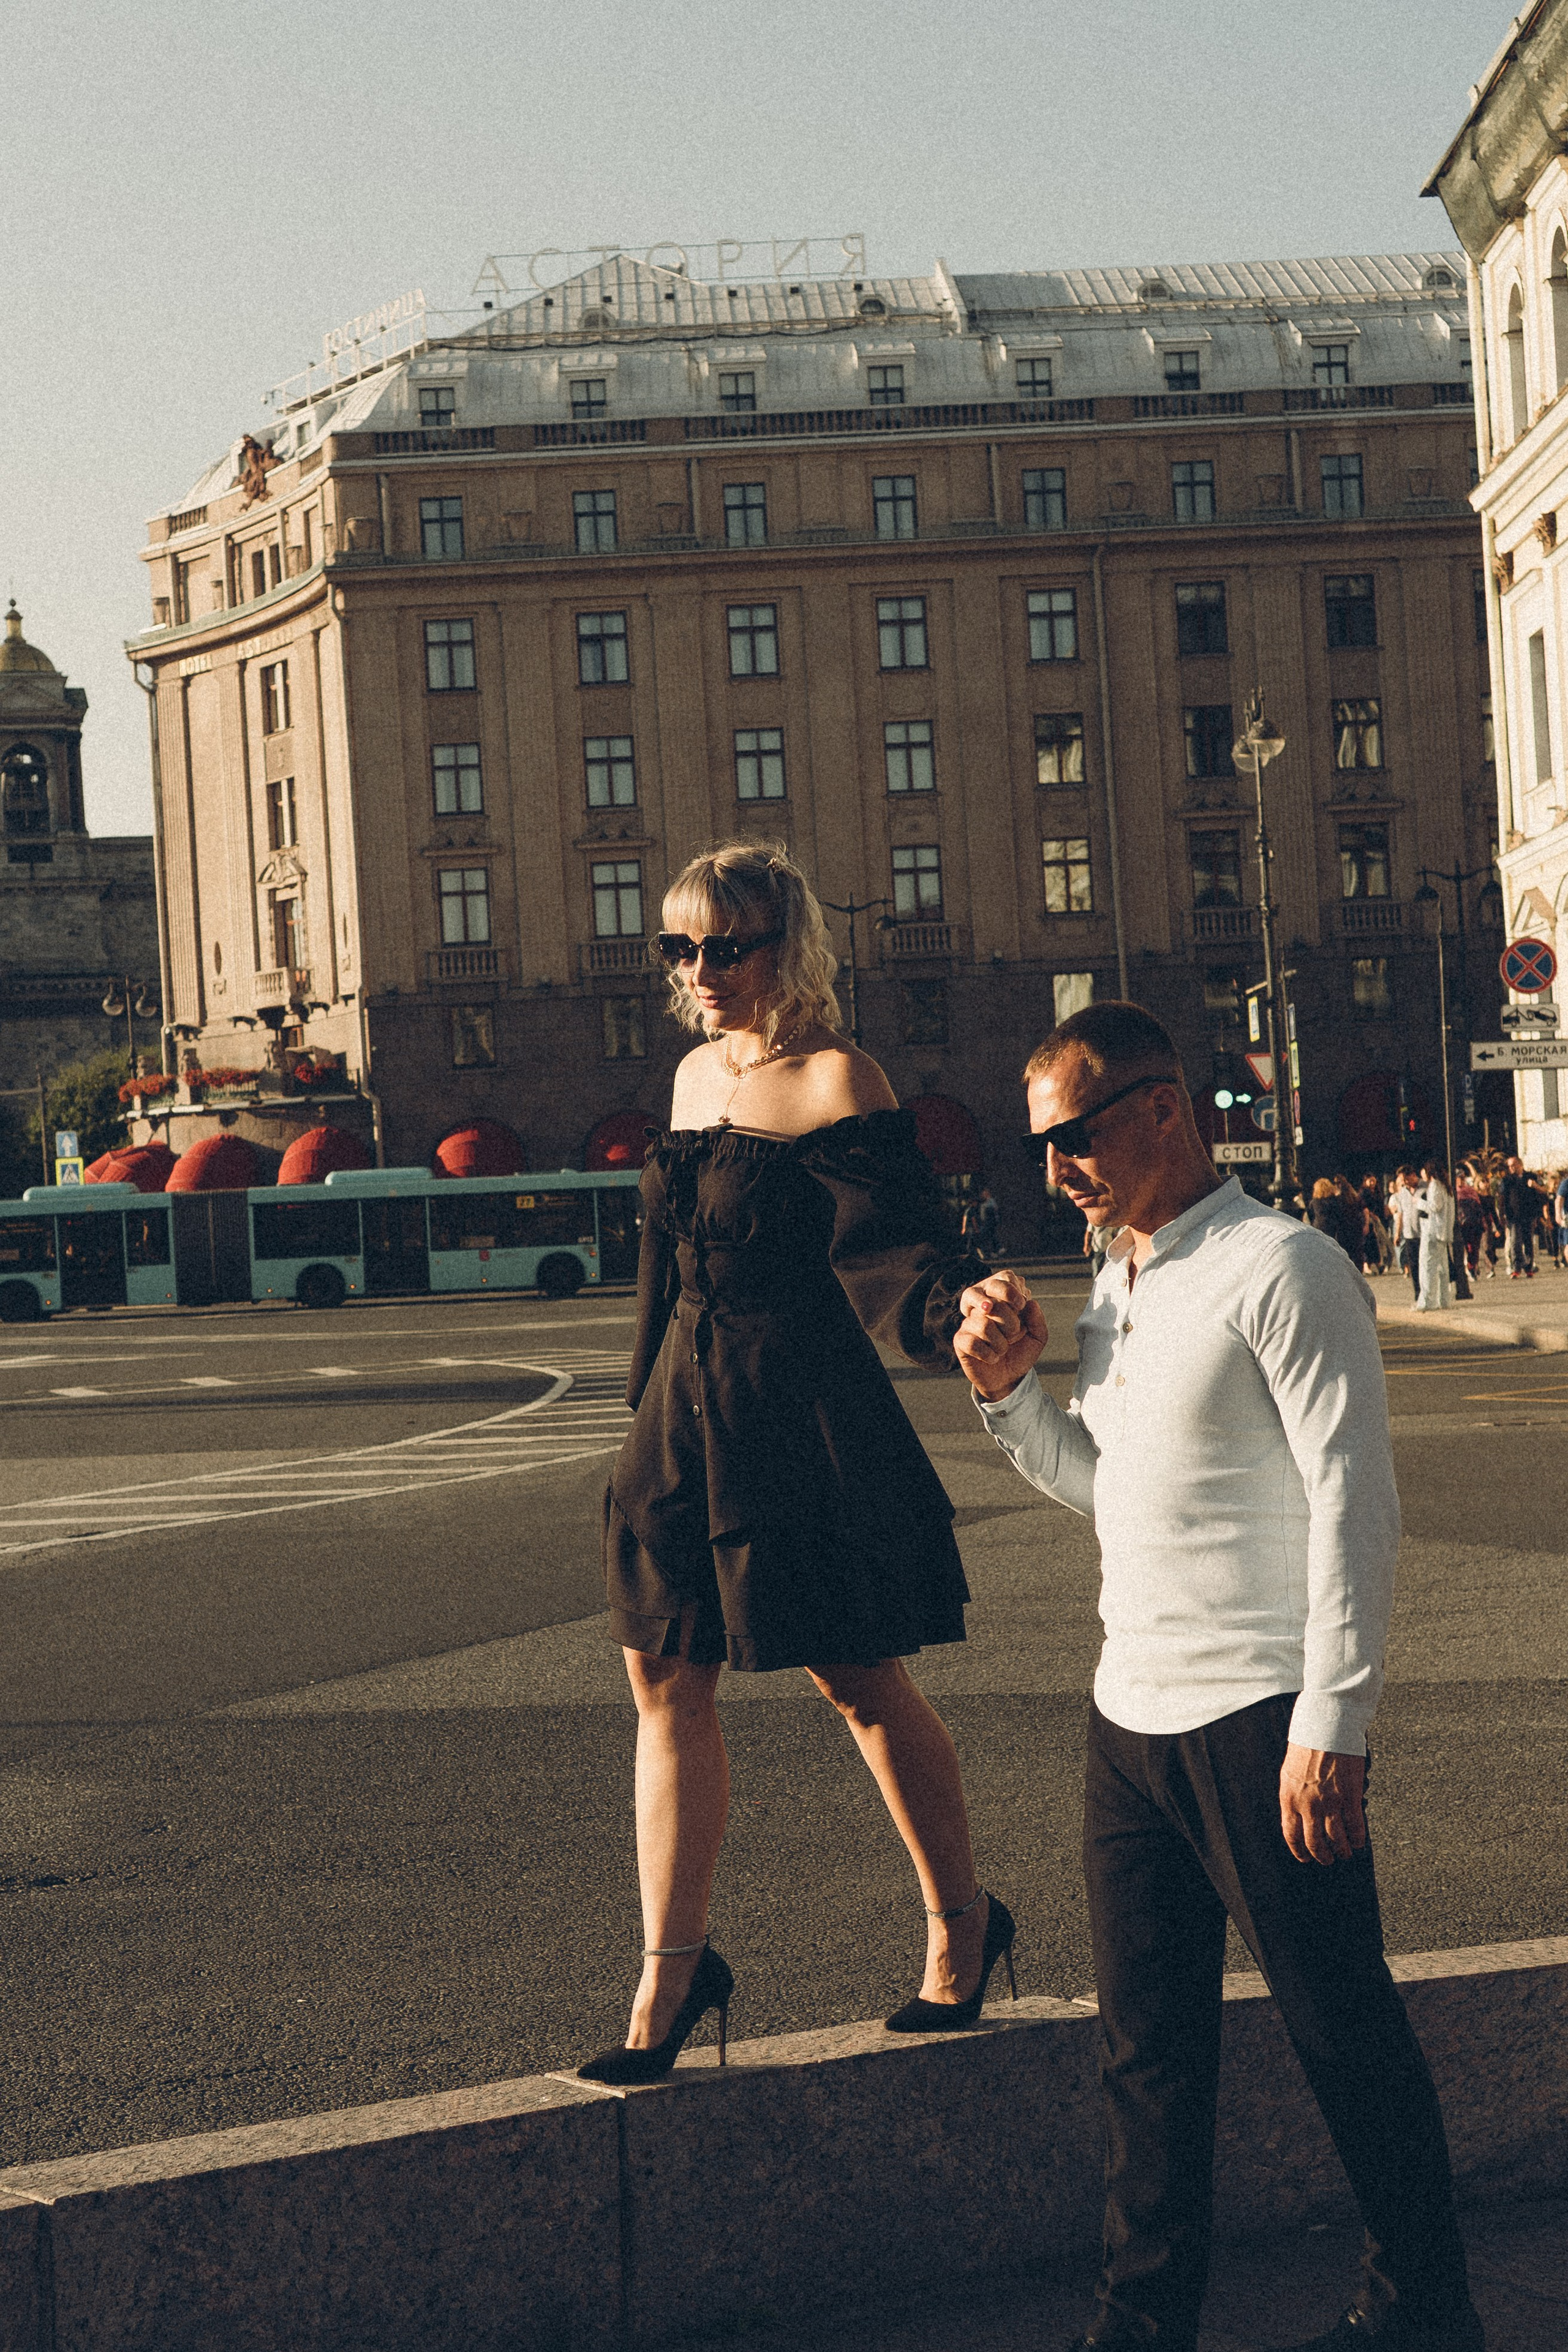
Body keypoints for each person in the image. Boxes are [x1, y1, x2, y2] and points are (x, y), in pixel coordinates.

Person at [954, 1001, 1482, 2352]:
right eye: (1040, 1148)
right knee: (1145, 2060)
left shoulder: (1280, 1266)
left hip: (1260, 1716)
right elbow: (1110, 1491)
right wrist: (1014, 1399)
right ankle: (1137, 2332)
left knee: (1338, 2032)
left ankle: (1426, 2312)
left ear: (1159, 1107)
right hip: (1126, 1718)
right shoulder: (1118, 1286)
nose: (1056, 1168)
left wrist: (1334, 1720)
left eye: (1072, 1136)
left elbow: (1353, 1499)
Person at [577, 841, 1015, 2086]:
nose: (701, 970)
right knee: (663, 1684)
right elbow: (662, 1282)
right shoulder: (684, 1079)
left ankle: (960, 1927)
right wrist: (634, 1433)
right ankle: (668, 1975)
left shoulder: (836, 1077)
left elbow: (898, 1253)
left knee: (857, 1680)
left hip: (799, 1410)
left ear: (785, 945)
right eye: (679, 947)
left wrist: (954, 1324)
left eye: (726, 945)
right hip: (682, 1413)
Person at [1414, 1163, 1456, 1312]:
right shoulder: (1446, 1187)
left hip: (1433, 1233)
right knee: (1442, 1268)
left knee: (1427, 1266)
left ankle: (1427, 1302)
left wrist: (1419, 1203)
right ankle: (1444, 1300)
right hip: (1442, 1234)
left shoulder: (1435, 1186)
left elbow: (1434, 1207)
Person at [1497, 1155, 1536, 1279]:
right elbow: (1502, 1197)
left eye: (1513, 1165)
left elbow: (1540, 1194)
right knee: (1515, 1243)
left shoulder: (1530, 1177)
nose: (1511, 1168)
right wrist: (1502, 1214)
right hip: (1513, 1216)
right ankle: (1516, 1267)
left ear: (1520, 1164)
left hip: (1528, 1215)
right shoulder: (1507, 1180)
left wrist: (1535, 1186)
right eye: (1509, 1166)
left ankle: (1529, 1268)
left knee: (1528, 1241)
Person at [1388, 1167, 1425, 1300]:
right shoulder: (1403, 1192)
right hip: (1409, 1234)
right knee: (1414, 1265)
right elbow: (1401, 1214)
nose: (1404, 1183)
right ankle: (1418, 1294)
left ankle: (1427, 1292)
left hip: (1423, 1233)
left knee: (1424, 1265)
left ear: (1413, 1175)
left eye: (1406, 1179)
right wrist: (1397, 1233)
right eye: (1402, 1181)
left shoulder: (1424, 1187)